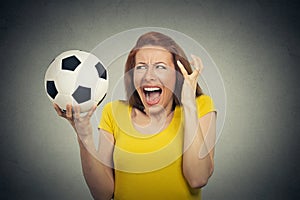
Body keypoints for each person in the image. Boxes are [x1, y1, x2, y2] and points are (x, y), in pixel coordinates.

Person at [54, 32, 217, 200]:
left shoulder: (200, 106)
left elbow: (198, 178)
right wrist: (84, 137)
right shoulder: (114, 112)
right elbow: (102, 194)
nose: (148, 76)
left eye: (160, 67)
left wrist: (189, 105)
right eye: (141, 67)